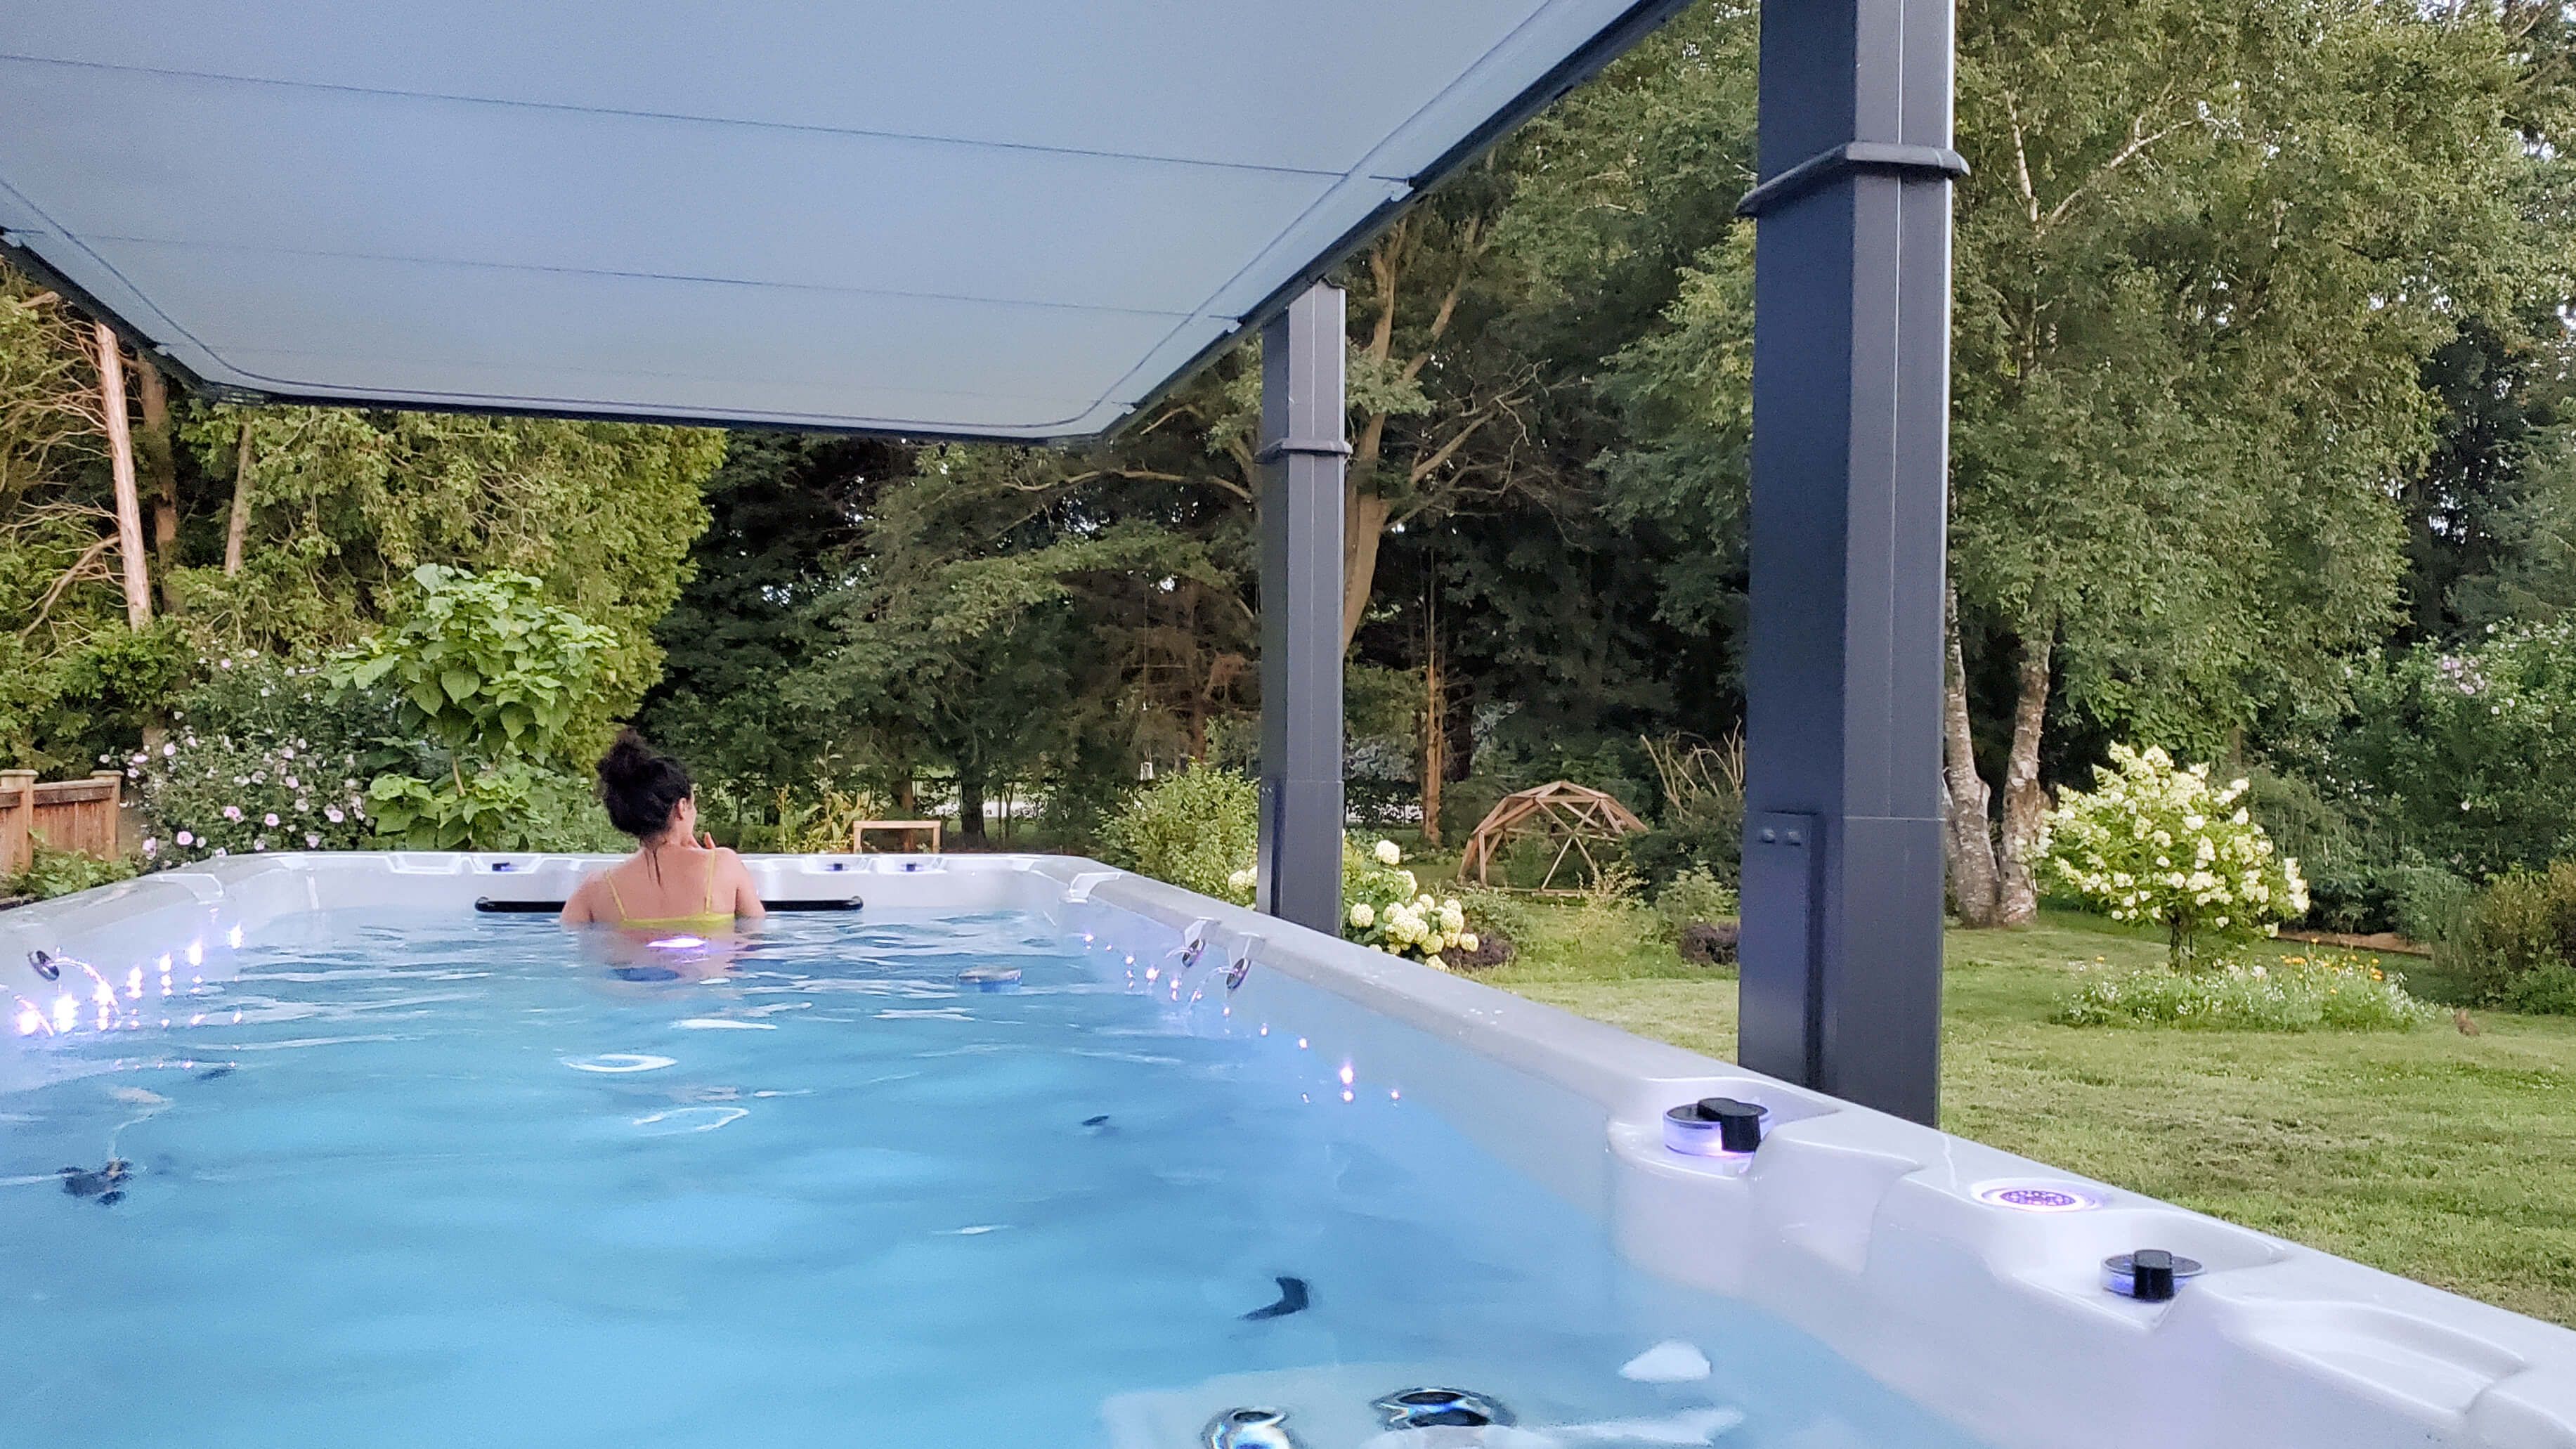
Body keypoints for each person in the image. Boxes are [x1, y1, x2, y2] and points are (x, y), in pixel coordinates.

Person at [561, 731, 765, 931]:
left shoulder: (595, 889)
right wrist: (712, 861)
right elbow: (755, 938)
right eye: (694, 804)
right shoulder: (725, 865)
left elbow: (567, 934)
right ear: (681, 807)